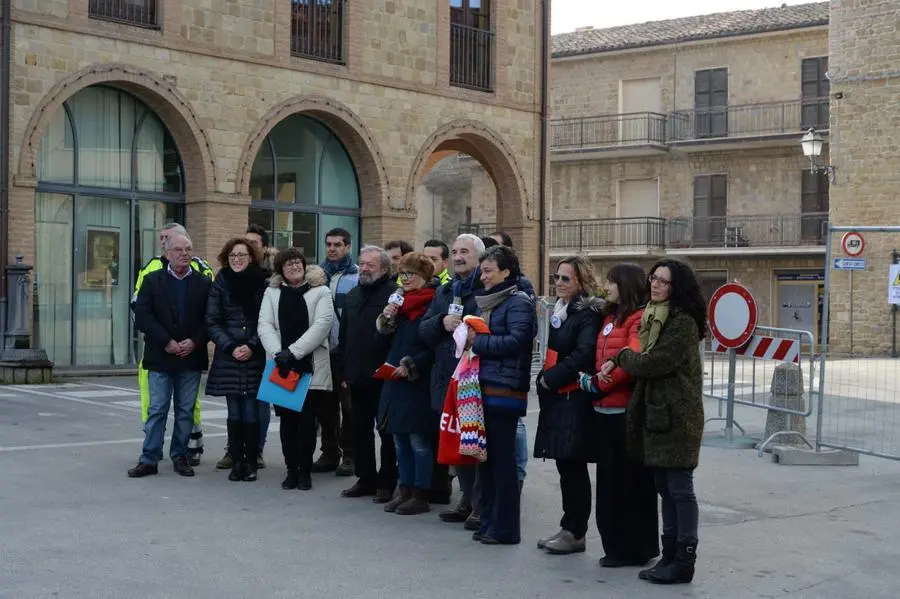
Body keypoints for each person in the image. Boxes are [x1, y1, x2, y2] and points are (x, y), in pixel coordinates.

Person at [598, 259, 706, 585]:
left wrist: (619, 358)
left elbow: (655, 361)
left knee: (679, 489)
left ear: (677, 289)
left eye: (664, 282)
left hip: (678, 416)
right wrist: (622, 359)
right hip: (656, 414)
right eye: (654, 279)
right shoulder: (652, 316)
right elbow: (641, 354)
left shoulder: (682, 321)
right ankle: (669, 555)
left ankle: (683, 559)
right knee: (664, 487)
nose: (656, 285)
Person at [533, 256, 604, 555]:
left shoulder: (586, 314)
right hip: (559, 396)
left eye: (565, 278)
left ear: (581, 281)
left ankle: (575, 531)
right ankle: (568, 526)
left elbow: (583, 354)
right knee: (565, 464)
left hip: (573, 396)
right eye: (556, 277)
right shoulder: (562, 310)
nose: (558, 283)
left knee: (572, 465)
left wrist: (550, 378)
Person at [128, 234, 211, 478]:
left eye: (188, 249)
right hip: (160, 356)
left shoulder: (203, 283)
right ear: (167, 253)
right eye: (178, 249)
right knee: (157, 409)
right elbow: (143, 316)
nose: (185, 254)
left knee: (185, 410)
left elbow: (210, 318)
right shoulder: (152, 280)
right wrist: (167, 342)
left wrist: (194, 341)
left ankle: (181, 456)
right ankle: (149, 459)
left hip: (191, 356)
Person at [469, 245, 536, 545]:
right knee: (487, 460)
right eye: (481, 270)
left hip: (505, 389)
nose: (482, 276)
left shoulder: (518, 301)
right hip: (486, 385)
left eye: (488, 271)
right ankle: (490, 521)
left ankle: (505, 528)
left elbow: (518, 340)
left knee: (503, 461)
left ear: (507, 272)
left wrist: (478, 343)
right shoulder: (491, 301)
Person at [420, 234, 486, 529]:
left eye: (465, 252)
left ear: (479, 258)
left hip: (474, 379)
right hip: (446, 377)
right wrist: (441, 322)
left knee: (477, 444)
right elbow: (424, 331)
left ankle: (480, 504)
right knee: (457, 440)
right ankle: (466, 500)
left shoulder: (486, 289)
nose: (459, 257)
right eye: (456, 251)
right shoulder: (445, 291)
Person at [258, 249, 334, 491]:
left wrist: (293, 352)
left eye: (297, 263)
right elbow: (265, 324)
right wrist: (278, 353)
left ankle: (304, 470)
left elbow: (322, 325)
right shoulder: (272, 292)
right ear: (280, 270)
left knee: (306, 422)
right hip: (282, 367)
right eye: (288, 264)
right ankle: (291, 470)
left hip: (308, 365)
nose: (293, 267)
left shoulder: (320, 291)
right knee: (287, 422)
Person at [376, 252, 438, 515]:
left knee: (418, 441)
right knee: (399, 439)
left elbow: (435, 346)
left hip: (417, 381)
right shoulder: (399, 305)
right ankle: (405, 490)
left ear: (423, 277)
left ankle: (421, 494)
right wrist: (387, 318)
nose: (405, 279)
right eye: (402, 274)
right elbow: (383, 340)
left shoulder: (432, 304)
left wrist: (412, 365)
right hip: (395, 378)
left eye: (410, 274)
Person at [205, 237, 269, 482]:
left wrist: (252, 345)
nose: (237, 260)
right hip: (228, 355)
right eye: (232, 256)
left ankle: (251, 461)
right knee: (234, 412)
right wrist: (230, 346)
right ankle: (237, 460)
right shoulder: (221, 281)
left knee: (252, 411)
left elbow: (268, 320)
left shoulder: (263, 282)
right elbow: (212, 320)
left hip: (255, 355)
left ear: (251, 257)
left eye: (242, 255)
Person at [339, 245, 398, 502]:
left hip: (383, 376)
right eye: (362, 264)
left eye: (370, 265)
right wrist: (342, 370)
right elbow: (344, 336)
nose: (364, 269)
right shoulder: (352, 295)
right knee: (359, 429)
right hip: (356, 375)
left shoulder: (394, 296)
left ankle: (386, 482)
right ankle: (365, 479)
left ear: (384, 269)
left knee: (386, 432)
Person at [489, 230, 533, 491]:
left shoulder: (520, 293)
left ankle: (518, 475)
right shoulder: (486, 291)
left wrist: (479, 341)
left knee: (513, 431)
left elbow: (519, 337)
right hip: (492, 376)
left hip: (507, 379)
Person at [317, 227, 358, 477]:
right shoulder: (317, 274)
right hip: (322, 352)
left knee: (349, 407)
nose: (332, 249)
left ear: (347, 247)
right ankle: (329, 452)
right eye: (329, 244)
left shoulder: (355, 277)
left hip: (346, 353)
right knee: (324, 406)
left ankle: (350, 454)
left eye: (337, 245)